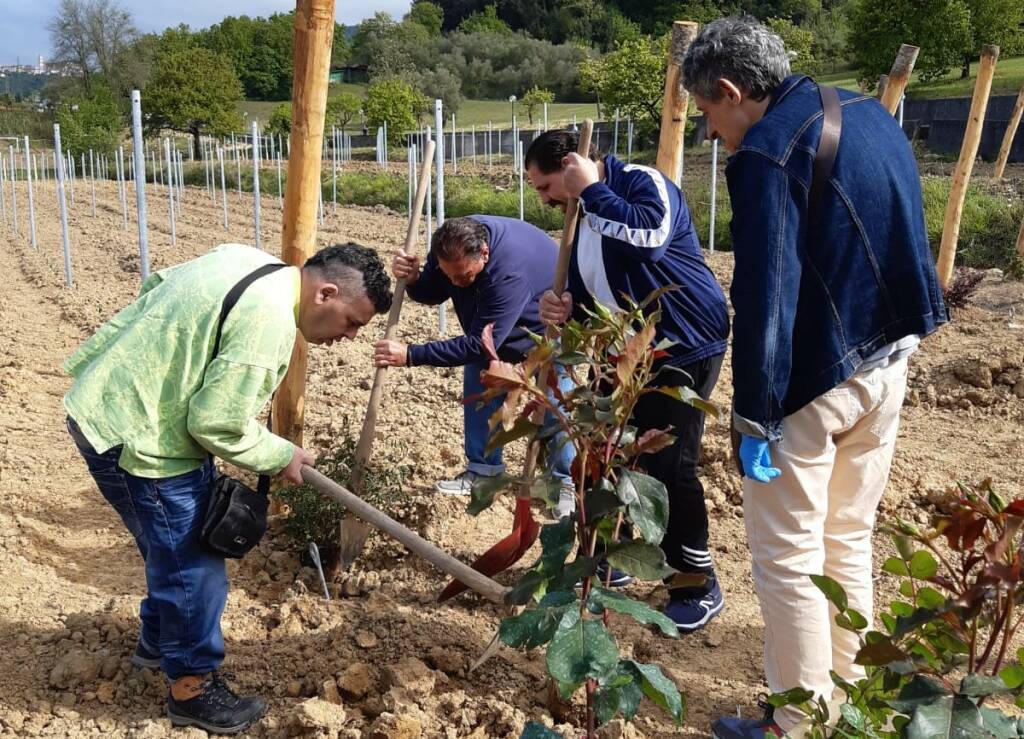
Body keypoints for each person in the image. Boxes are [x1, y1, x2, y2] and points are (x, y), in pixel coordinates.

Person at [681, 17, 948, 738]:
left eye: (708, 113)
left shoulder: (768, 154)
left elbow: (766, 293)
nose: (711, 131)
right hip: (889, 360)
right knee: (846, 538)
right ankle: (849, 701)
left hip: (814, 384)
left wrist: (754, 414)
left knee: (788, 558)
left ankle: (798, 723)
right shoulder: (863, 109)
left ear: (733, 91)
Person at [63, 242, 392, 734]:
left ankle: (157, 643)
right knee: (194, 570)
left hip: (106, 407)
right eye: (352, 323)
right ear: (326, 293)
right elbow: (216, 423)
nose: (348, 337)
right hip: (144, 443)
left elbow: (156, 287)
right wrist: (282, 455)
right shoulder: (269, 324)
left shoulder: (247, 261)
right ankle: (192, 691)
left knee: (167, 551)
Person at [526, 130, 731, 630]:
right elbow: (594, 289)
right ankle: (611, 560)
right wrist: (564, 305)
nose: (545, 198)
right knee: (598, 450)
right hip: (623, 352)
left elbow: (649, 241)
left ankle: (695, 583)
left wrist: (590, 189)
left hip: (683, 343)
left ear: (573, 166)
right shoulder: (581, 219)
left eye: (547, 184)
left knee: (666, 464)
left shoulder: (642, 183)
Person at [372, 215, 575, 514]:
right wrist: (415, 279)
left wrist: (411, 354)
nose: (456, 283)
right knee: (482, 386)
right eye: (449, 275)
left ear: (484, 253)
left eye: (464, 277)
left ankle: (563, 484)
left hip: (543, 330)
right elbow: (434, 290)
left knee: (554, 405)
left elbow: (479, 342)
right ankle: (484, 473)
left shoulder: (507, 273)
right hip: (493, 326)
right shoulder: (449, 246)